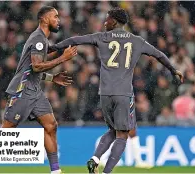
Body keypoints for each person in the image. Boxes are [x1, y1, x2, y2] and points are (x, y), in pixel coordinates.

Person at [51, 7, 183, 174]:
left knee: (113, 131)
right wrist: (173, 70)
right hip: (123, 93)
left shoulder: (101, 37)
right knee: (122, 135)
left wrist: (54, 47)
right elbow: (159, 55)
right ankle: (106, 172)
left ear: (115, 21)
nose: (105, 22)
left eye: (107, 19)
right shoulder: (137, 41)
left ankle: (95, 159)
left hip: (105, 93)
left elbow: (76, 40)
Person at [0, 6, 77, 174]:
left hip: (35, 91)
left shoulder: (41, 40)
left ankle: (56, 171)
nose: (58, 20)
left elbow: (32, 69)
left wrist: (51, 78)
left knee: (51, 126)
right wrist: (63, 58)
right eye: (55, 17)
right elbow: (35, 66)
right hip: (23, 91)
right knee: (7, 131)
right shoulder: (39, 39)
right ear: (44, 19)